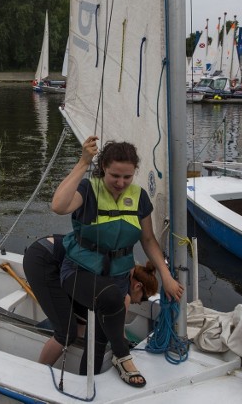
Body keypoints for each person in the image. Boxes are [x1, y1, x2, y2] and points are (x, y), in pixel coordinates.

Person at [50, 136, 183, 387]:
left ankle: (84, 383)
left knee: (99, 336)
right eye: (114, 176)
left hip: (118, 276)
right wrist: (82, 162)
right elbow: (58, 206)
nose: (121, 183)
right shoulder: (88, 190)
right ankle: (123, 357)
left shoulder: (139, 196)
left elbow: (148, 239)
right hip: (79, 272)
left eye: (127, 177)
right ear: (103, 170)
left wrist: (165, 275)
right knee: (111, 300)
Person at [23, 234, 159, 366]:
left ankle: (74, 350)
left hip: (63, 266)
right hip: (43, 258)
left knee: (83, 318)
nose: (141, 302)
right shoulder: (122, 285)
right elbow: (117, 330)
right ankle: (39, 371)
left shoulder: (123, 274)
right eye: (144, 298)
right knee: (66, 333)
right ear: (137, 286)